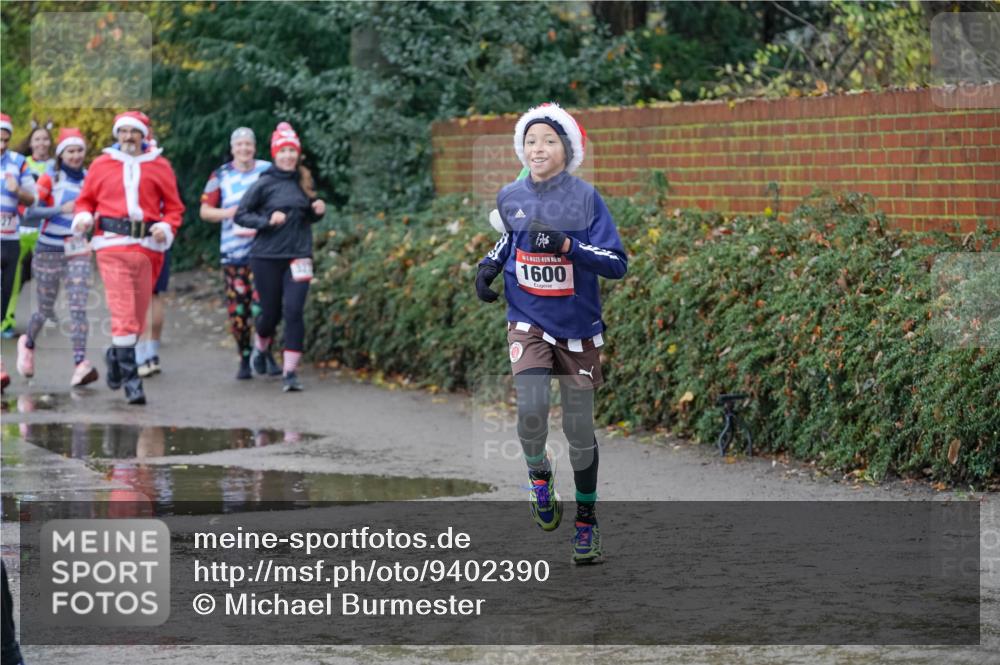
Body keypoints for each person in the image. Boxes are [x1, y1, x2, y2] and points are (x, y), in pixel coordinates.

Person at [475, 103, 627, 564]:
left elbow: (616, 263)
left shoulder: (586, 199)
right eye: (530, 140)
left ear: (568, 149)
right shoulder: (511, 195)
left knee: (580, 430)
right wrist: (489, 266)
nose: (538, 148)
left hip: (578, 329)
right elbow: (511, 237)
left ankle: (586, 519)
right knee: (532, 410)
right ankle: (538, 474)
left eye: (549, 140)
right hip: (528, 321)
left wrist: (566, 245)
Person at [71, 110, 184, 405]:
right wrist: (83, 218)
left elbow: (174, 208)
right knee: (122, 311)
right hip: (112, 246)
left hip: (148, 249)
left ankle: (115, 356)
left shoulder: (160, 166)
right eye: (122, 132)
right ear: (116, 135)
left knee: (135, 316)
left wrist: (165, 227)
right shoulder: (101, 164)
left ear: (143, 135)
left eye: (133, 132)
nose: (127, 137)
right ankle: (133, 382)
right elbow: (85, 200)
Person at [235, 121, 325, 392]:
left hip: (299, 255)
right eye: (283, 150)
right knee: (270, 314)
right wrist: (267, 220)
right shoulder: (264, 183)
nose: (288, 155)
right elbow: (241, 215)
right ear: (275, 153)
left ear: (297, 153)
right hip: (267, 257)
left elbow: (306, 214)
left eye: (292, 150)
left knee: (294, 311)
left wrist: (317, 211)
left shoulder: (304, 180)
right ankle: (261, 347)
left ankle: (290, 373)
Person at [16, 127, 99, 387]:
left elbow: (96, 211)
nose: (75, 156)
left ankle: (80, 364)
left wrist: (92, 223)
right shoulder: (49, 179)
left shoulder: (90, 179)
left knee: (78, 308)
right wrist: (58, 209)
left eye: (79, 151)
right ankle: (27, 344)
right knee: (44, 309)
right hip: (49, 249)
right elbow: (28, 214)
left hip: (77, 250)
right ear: (62, 154)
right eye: (70, 151)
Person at [200, 127, 272, 379]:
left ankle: (266, 352)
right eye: (239, 144)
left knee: (265, 307)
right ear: (232, 149)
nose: (244, 149)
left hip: (265, 250)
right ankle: (244, 357)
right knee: (238, 310)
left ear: (254, 147)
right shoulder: (220, 175)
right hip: (233, 253)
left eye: (248, 144)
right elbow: (205, 211)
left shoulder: (267, 170)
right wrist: (229, 213)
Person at [1, 113, 38, 357]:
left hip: (11, 235)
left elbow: (32, 197)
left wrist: (18, 192)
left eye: (5, 140)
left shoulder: (18, 161)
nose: (1, 145)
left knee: (6, 292)